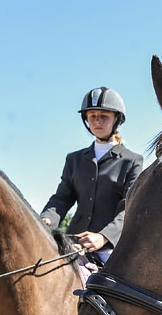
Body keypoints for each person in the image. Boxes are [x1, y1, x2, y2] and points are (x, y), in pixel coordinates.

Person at [40, 87, 143, 264]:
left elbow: (128, 208)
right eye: (92, 115)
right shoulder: (74, 159)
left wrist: (103, 237)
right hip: (74, 243)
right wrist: (46, 218)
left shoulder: (132, 161)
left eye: (104, 116)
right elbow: (61, 199)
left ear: (117, 119)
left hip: (110, 248)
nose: (97, 121)